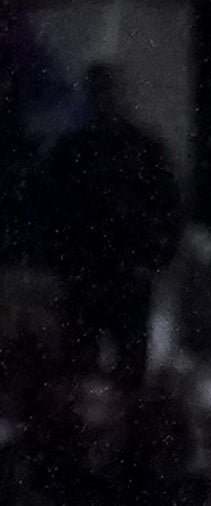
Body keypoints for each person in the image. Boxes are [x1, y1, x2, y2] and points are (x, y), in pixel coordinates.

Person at [29, 64, 181, 384]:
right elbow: (49, 212)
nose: (106, 100)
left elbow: (169, 210)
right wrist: (60, 264)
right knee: (78, 367)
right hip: (84, 275)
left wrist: (152, 260)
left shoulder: (144, 151)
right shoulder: (71, 153)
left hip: (127, 275)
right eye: (99, 92)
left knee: (129, 370)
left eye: (110, 92)